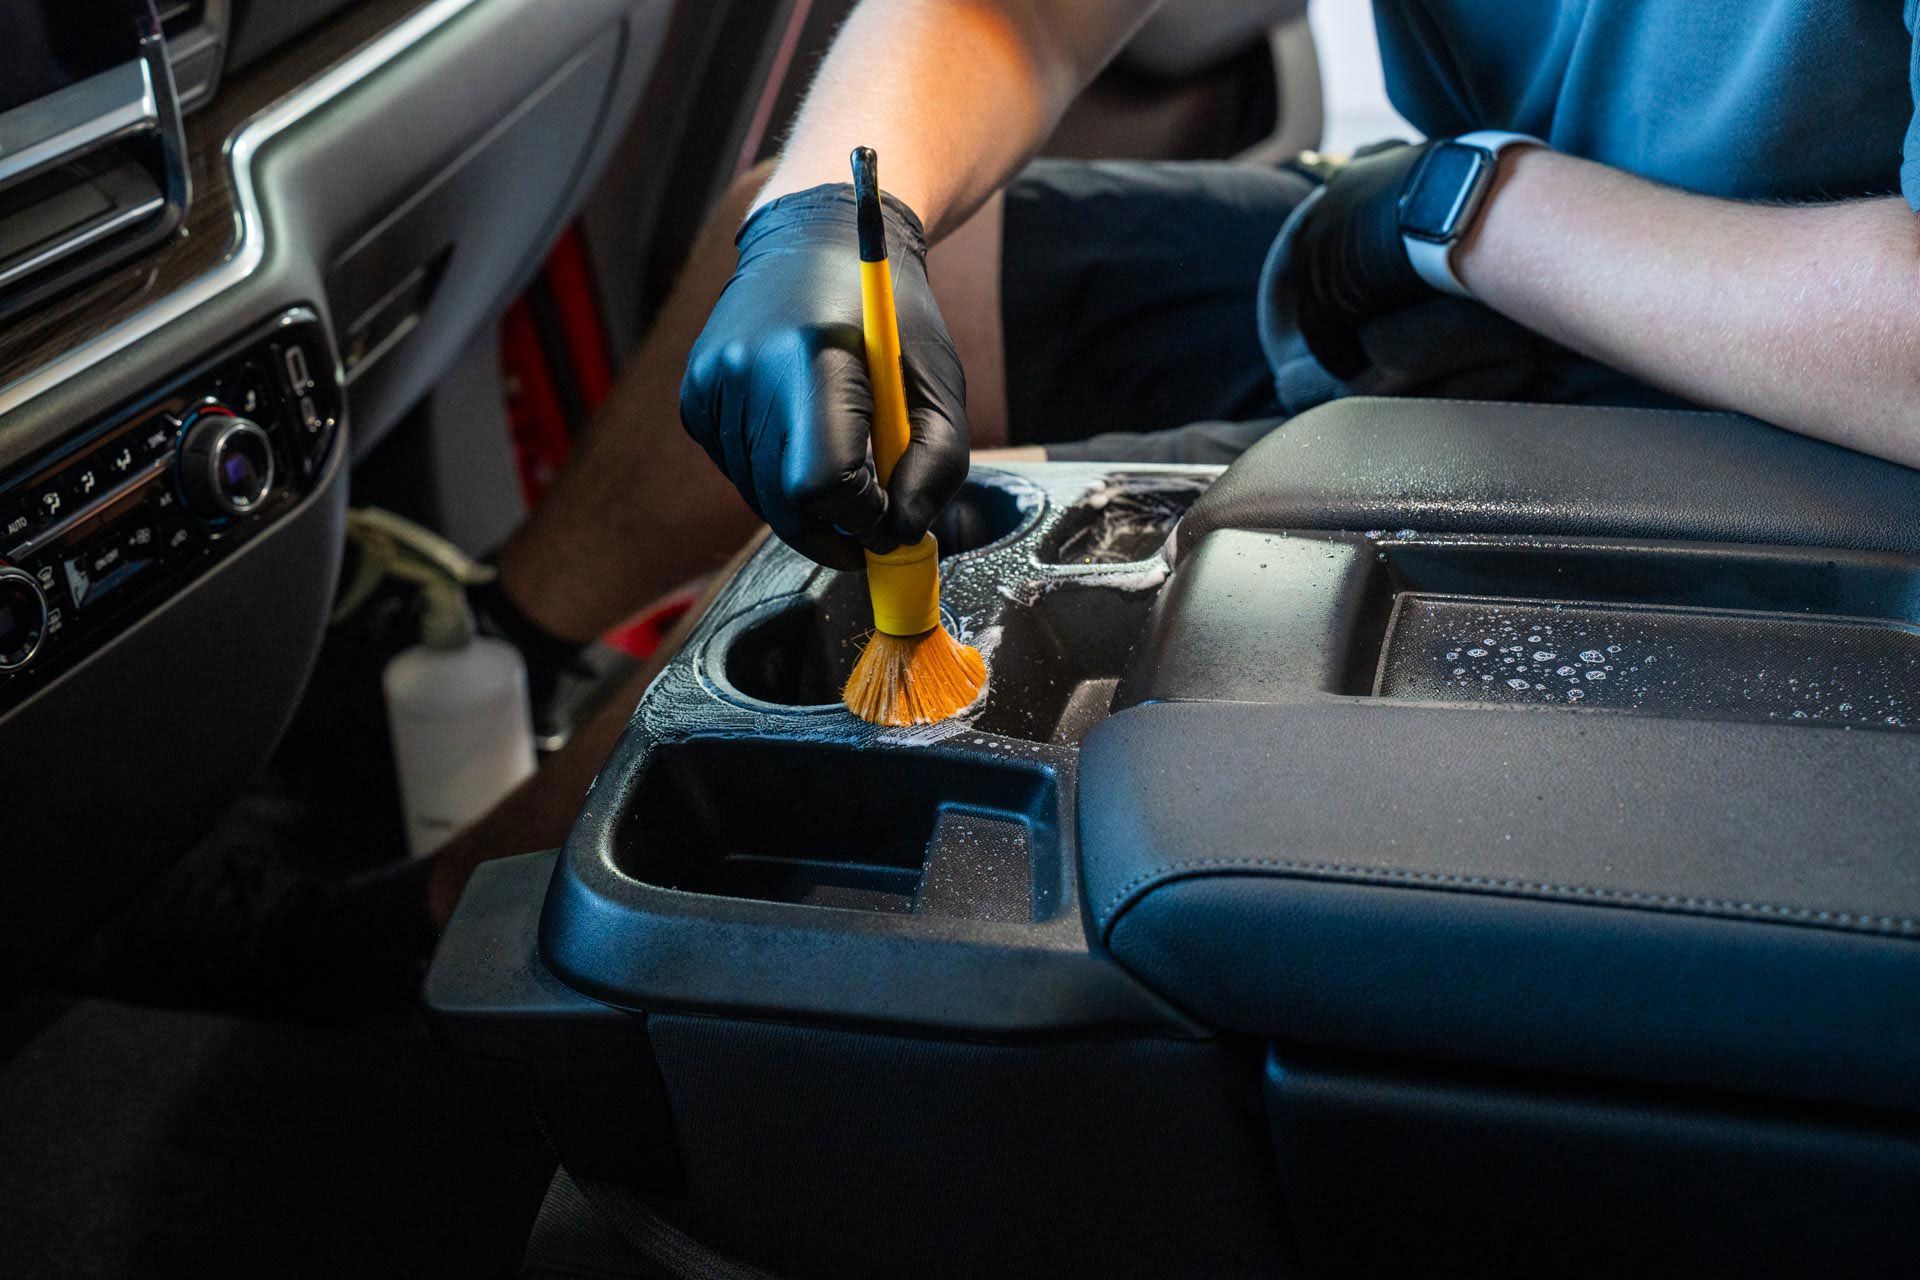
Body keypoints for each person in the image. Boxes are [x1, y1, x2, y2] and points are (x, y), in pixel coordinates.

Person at [84, 0, 1920, 1010]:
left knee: (960, 607)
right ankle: (484, 637)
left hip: (1791, 407)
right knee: (920, 279)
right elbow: (1018, 14)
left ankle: (428, 943)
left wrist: (1461, 209)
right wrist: (832, 221)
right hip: (1499, 249)